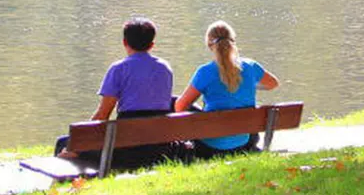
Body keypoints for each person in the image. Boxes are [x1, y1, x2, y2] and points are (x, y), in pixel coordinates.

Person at [55, 17, 176, 168]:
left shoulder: (119, 69)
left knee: (64, 143)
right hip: (158, 147)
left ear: (124, 42)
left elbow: (103, 115)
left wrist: (81, 142)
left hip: (125, 150)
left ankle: (67, 179)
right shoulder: (165, 68)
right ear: (152, 45)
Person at [174, 20, 279, 158]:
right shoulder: (251, 66)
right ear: (233, 41)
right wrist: (248, 84)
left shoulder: (205, 72)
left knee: (185, 104)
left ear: (209, 45)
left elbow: (180, 107)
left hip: (209, 147)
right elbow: (273, 84)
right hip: (243, 143)